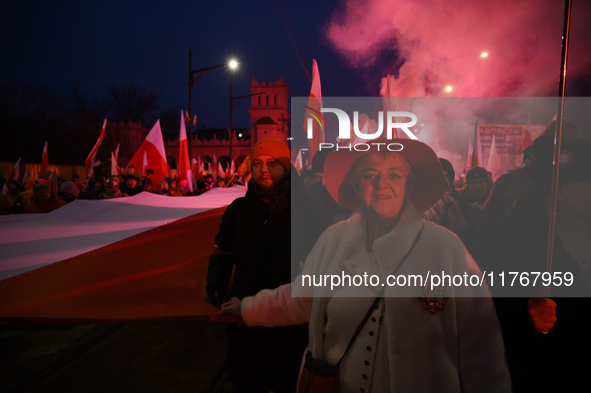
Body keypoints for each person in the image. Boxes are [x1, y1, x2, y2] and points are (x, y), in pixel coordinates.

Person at [222, 139, 511, 393]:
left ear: (411, 186)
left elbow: (482, 348)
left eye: (394, 175)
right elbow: (299, 299)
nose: (381, 183)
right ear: (356, 186)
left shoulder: (446, 249)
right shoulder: (334, 240)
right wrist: (246, 308)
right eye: (369, 174)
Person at [206, 138, 330, 393]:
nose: (264, 169)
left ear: (287, 169)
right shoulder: (238, 211)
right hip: (246, 322)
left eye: (272, 163)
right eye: (258, 163)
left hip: (290, 324)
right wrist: (216, 288)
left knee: (288, 382)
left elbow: (323, 267)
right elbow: (222, 251)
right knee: (247, 382)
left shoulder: (311, 211)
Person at [476, 139, 591, 392]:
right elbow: (493, 304)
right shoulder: (519, 231)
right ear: (561, 191)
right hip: (547, 368)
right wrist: (526, 317)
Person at [423, 158, 476, 251]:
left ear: (451, 179)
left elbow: (466, 233)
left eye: (445, 176)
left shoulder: (458, 200)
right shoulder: (422, 200)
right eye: (437, 176)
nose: (442, 180)